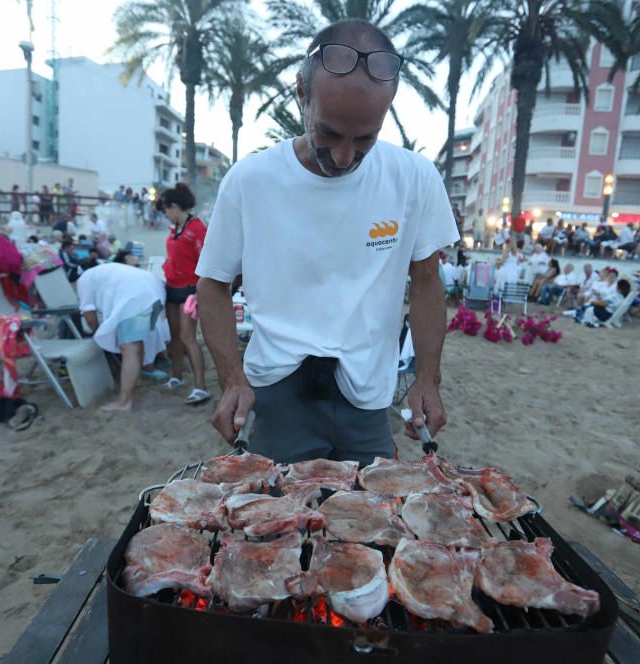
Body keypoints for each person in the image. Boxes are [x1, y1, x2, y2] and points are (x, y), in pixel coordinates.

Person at [195, 19, 458, 463]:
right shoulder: (250, 181)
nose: (343, 157)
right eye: (329, 133)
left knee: (374, 523)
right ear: (302, 93)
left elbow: (428, 281)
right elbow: (212, 284)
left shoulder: (414, 178)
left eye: (365, 139)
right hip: (278, 396)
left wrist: (427, 378)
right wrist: (232, 380)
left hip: (370, 397)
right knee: (276, 523)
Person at [77, 262, 166, 411]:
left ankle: (124, 401)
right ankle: (136, 380)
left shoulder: (83, 280)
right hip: (153, 289)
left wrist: (96, 333)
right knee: (136, 342)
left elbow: (89, 315)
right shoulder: (104, 271)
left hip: (134, 295)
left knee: (129, 347)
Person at [158, 182, 211, 405]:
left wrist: (201, 292)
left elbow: (207, 261)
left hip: (190, 289)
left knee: (189, 337)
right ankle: (177, 376)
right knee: (175, 337)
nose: (165, 215)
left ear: (174, 206)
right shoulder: (175, 230)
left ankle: (201, 387)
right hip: (172, 287)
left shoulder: (197, 228)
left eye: (165, 210)